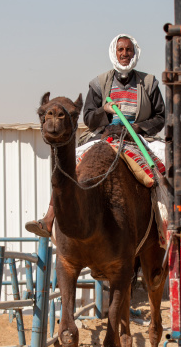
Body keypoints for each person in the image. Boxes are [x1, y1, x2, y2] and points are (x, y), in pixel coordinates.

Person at [25, 34, 165, 238]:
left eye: (129, 50)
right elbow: (89, 118)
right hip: (104, 136)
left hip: (138, 137)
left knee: (165, 163)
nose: (125, 54)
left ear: (135, 53)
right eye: (121, 50)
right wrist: (105, 110)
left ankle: (167, 222)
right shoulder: (99, 84)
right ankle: (50, 216)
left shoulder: (150, 83)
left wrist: (138, 127)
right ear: (114, 52)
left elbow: (161, 116)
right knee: (69, 164)